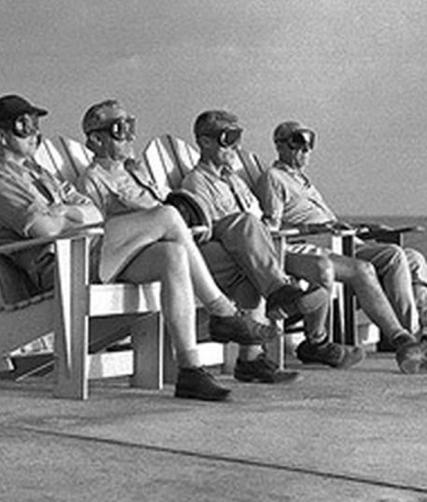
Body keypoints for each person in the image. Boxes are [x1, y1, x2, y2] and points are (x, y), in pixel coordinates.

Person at [0, 95, 275, 402]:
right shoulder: (0, 183)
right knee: (168, 216)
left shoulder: (40, 173)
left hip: (93, 251)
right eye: (24, 125)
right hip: (64, 266)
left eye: (36, 124)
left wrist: (63, 212)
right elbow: (46, 230)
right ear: (0, 136)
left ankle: (190, 371)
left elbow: (91, 211)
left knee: (172, 255)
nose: (35, 133)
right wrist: (69, 215)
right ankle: (222, 311)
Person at [76, 100, 294, 385]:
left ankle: (247, 359)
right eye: (120, 129)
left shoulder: (137, 172)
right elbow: (99, 235)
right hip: (126, 258)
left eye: (131, 126)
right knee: (171, 228)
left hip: (174, 246)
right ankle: (223, 313)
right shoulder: (92, 180)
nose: (130, 135)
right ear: (96, 139)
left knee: (245, 263)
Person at [255, 120, 427, 373]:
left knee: (413, 258)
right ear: (279, 146)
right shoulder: (274, 178)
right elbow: (271, 227)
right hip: (322, 244)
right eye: (297, 144)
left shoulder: (302, 180)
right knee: (393, 256)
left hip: (344, 239)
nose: (305, 151)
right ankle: (411, 341)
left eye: (309, 145)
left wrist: (364, 226)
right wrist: (314, 229)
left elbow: (326, 219)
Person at [182, 110, 364, 371]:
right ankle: (280, 295)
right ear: (205, 141)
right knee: (247, 233)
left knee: (262, 269)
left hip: (259, 252)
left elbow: (266, 224)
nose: (236, 146)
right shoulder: (196, 182)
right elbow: (206, 230)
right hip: (219, 255)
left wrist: (306, 227)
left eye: (238, 138)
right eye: (228, 138)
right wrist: (248, 227)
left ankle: (256, 358)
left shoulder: (236, 181)